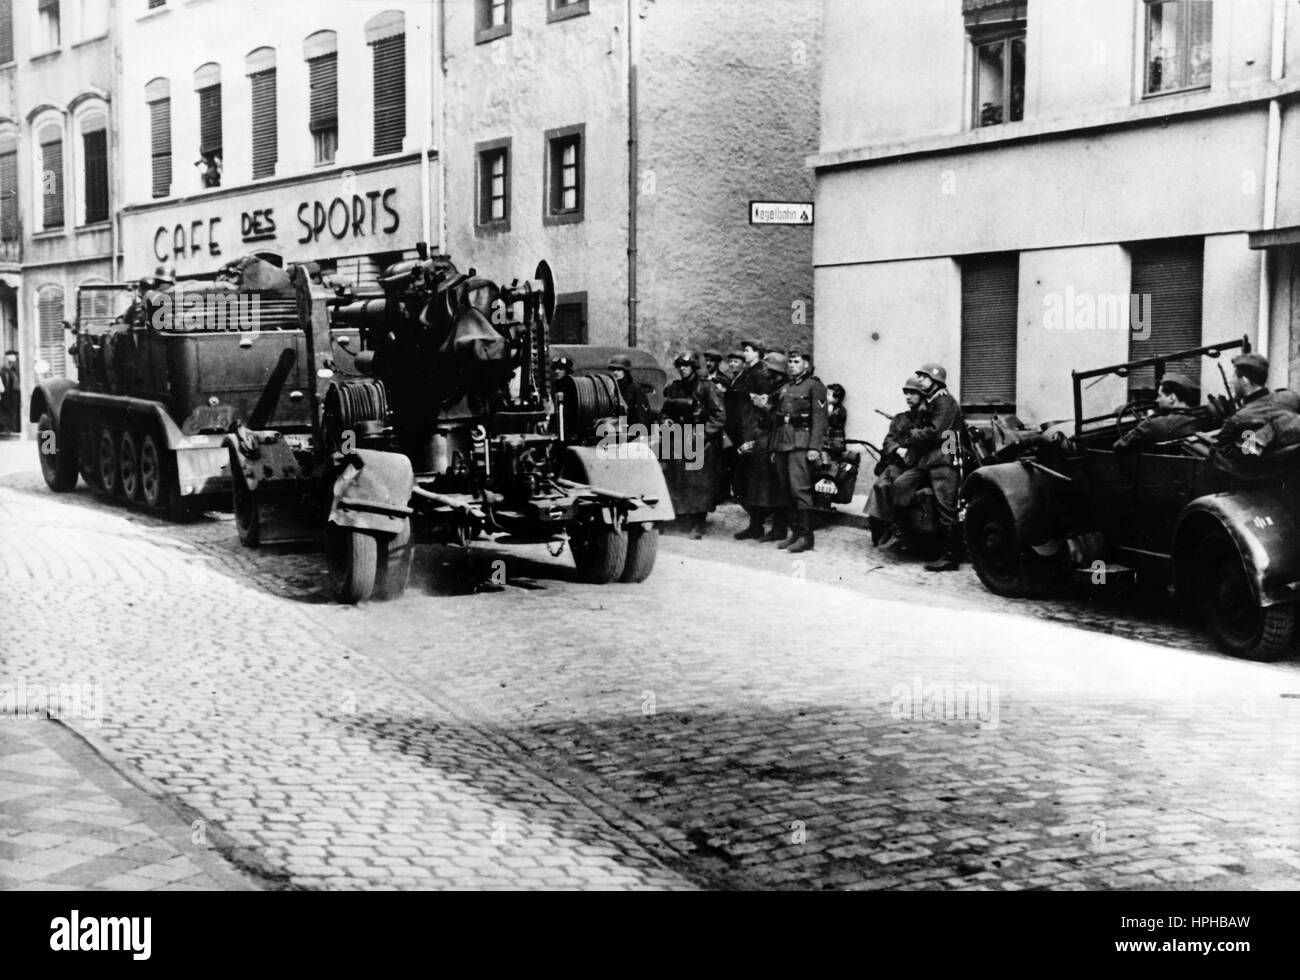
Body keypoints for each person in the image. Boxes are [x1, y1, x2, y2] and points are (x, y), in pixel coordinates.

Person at [891, 362, 965, 572]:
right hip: (929, 460)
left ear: (936, 380)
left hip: (944, 460)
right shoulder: (932, 402)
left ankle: (950, 557)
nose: (920, 381)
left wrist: (912, 434)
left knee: (946, 508)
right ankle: (903, 534)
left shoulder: (945, 402)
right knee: (901, 485)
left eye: (923, 377)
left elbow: (935, 431)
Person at [765, 348, 827, 554]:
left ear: (806, 365)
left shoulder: (815, 386)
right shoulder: (786, 388)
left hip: (801, 443)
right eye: (790, 362)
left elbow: (820, 419)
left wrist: (815, 447)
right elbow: (778, 419)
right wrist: (774, 446)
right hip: (783, 443)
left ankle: (807, 536)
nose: (792, 365)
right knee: (787, 490)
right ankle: (796, 532)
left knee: (800, 489)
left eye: (797, 362)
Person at [661, 351, 727, 539]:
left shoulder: (707, 388)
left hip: (700, 438)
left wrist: (704, 435)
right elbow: (666, 410)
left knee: (699, 481)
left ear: (694, 367)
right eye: (680, 365)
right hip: (678, 436)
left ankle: (699, 521)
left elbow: (719, 415)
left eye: (686, 365)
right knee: (677, 478)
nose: (682, 369)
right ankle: (683, 516)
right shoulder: (674, 388)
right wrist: (666, 421)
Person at [865, 376, 926, 546]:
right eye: (906, 393)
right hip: (900, 464)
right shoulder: (900, 418)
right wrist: (897, 449)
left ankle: (902, 530)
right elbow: (888, 441)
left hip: (919, 466)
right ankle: (880, 529)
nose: (908, 397)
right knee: (881, 484)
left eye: (913, 393)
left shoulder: (927, 418)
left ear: (922, 395)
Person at [1215, 353, 1300, 455]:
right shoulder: (1290, 397)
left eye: (1234, 376)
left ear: (1245, 380)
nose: (1231, 381)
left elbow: (1217, 455)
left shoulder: (1238, 419)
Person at [1113, 373, 1214, 451]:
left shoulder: (1152, 425)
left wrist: (1149, 420)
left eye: (1160, 396)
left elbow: (1119, 446)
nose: (1157, 400)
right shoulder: (1202, 421)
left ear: (1171, 398)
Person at [608, 354, 653, 431]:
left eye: (619, 370)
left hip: (631, 430)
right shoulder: (609, 386)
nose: (615, 372)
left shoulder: (635, 389)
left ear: (625, 371)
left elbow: (642, 415)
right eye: (613, 370)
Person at [825, 384, 848, 457]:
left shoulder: (840, 410)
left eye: (828, 394)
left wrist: (830, 414)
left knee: (834, 460)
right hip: (826, 439)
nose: (825, 396)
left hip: (835, 440)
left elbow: (835, 423)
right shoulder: (825, 408)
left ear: (836, 398)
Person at [0, 350, 19, 433]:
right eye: (9, 362)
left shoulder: (16, 369)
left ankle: (13, 428)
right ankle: (7, 428)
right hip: (6, 394)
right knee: (6, 411)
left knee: (14, 411)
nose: (11, 363)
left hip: (15, 393)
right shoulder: (3, 370)